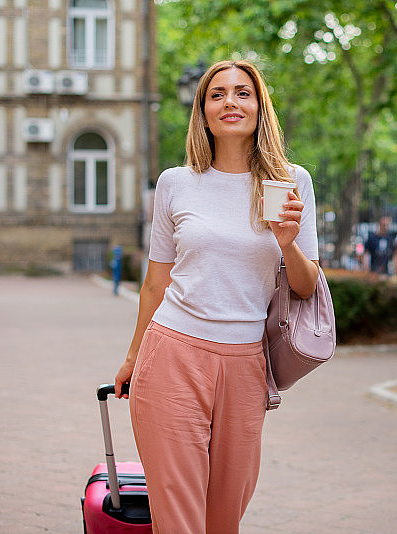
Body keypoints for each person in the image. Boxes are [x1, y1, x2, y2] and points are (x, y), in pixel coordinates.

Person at [114, 60, 319, 533]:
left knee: (224, 517)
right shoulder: (176, 183)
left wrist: (287, 242)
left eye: (243, 93)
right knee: (178, 515)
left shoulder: (290, 182)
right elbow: (155, 282)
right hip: (172, 354)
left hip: (246, 365)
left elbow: (306, 285)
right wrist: (132, 356)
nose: (230, 102)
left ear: (259, 107)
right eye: (217, 94)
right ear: (203, 111)